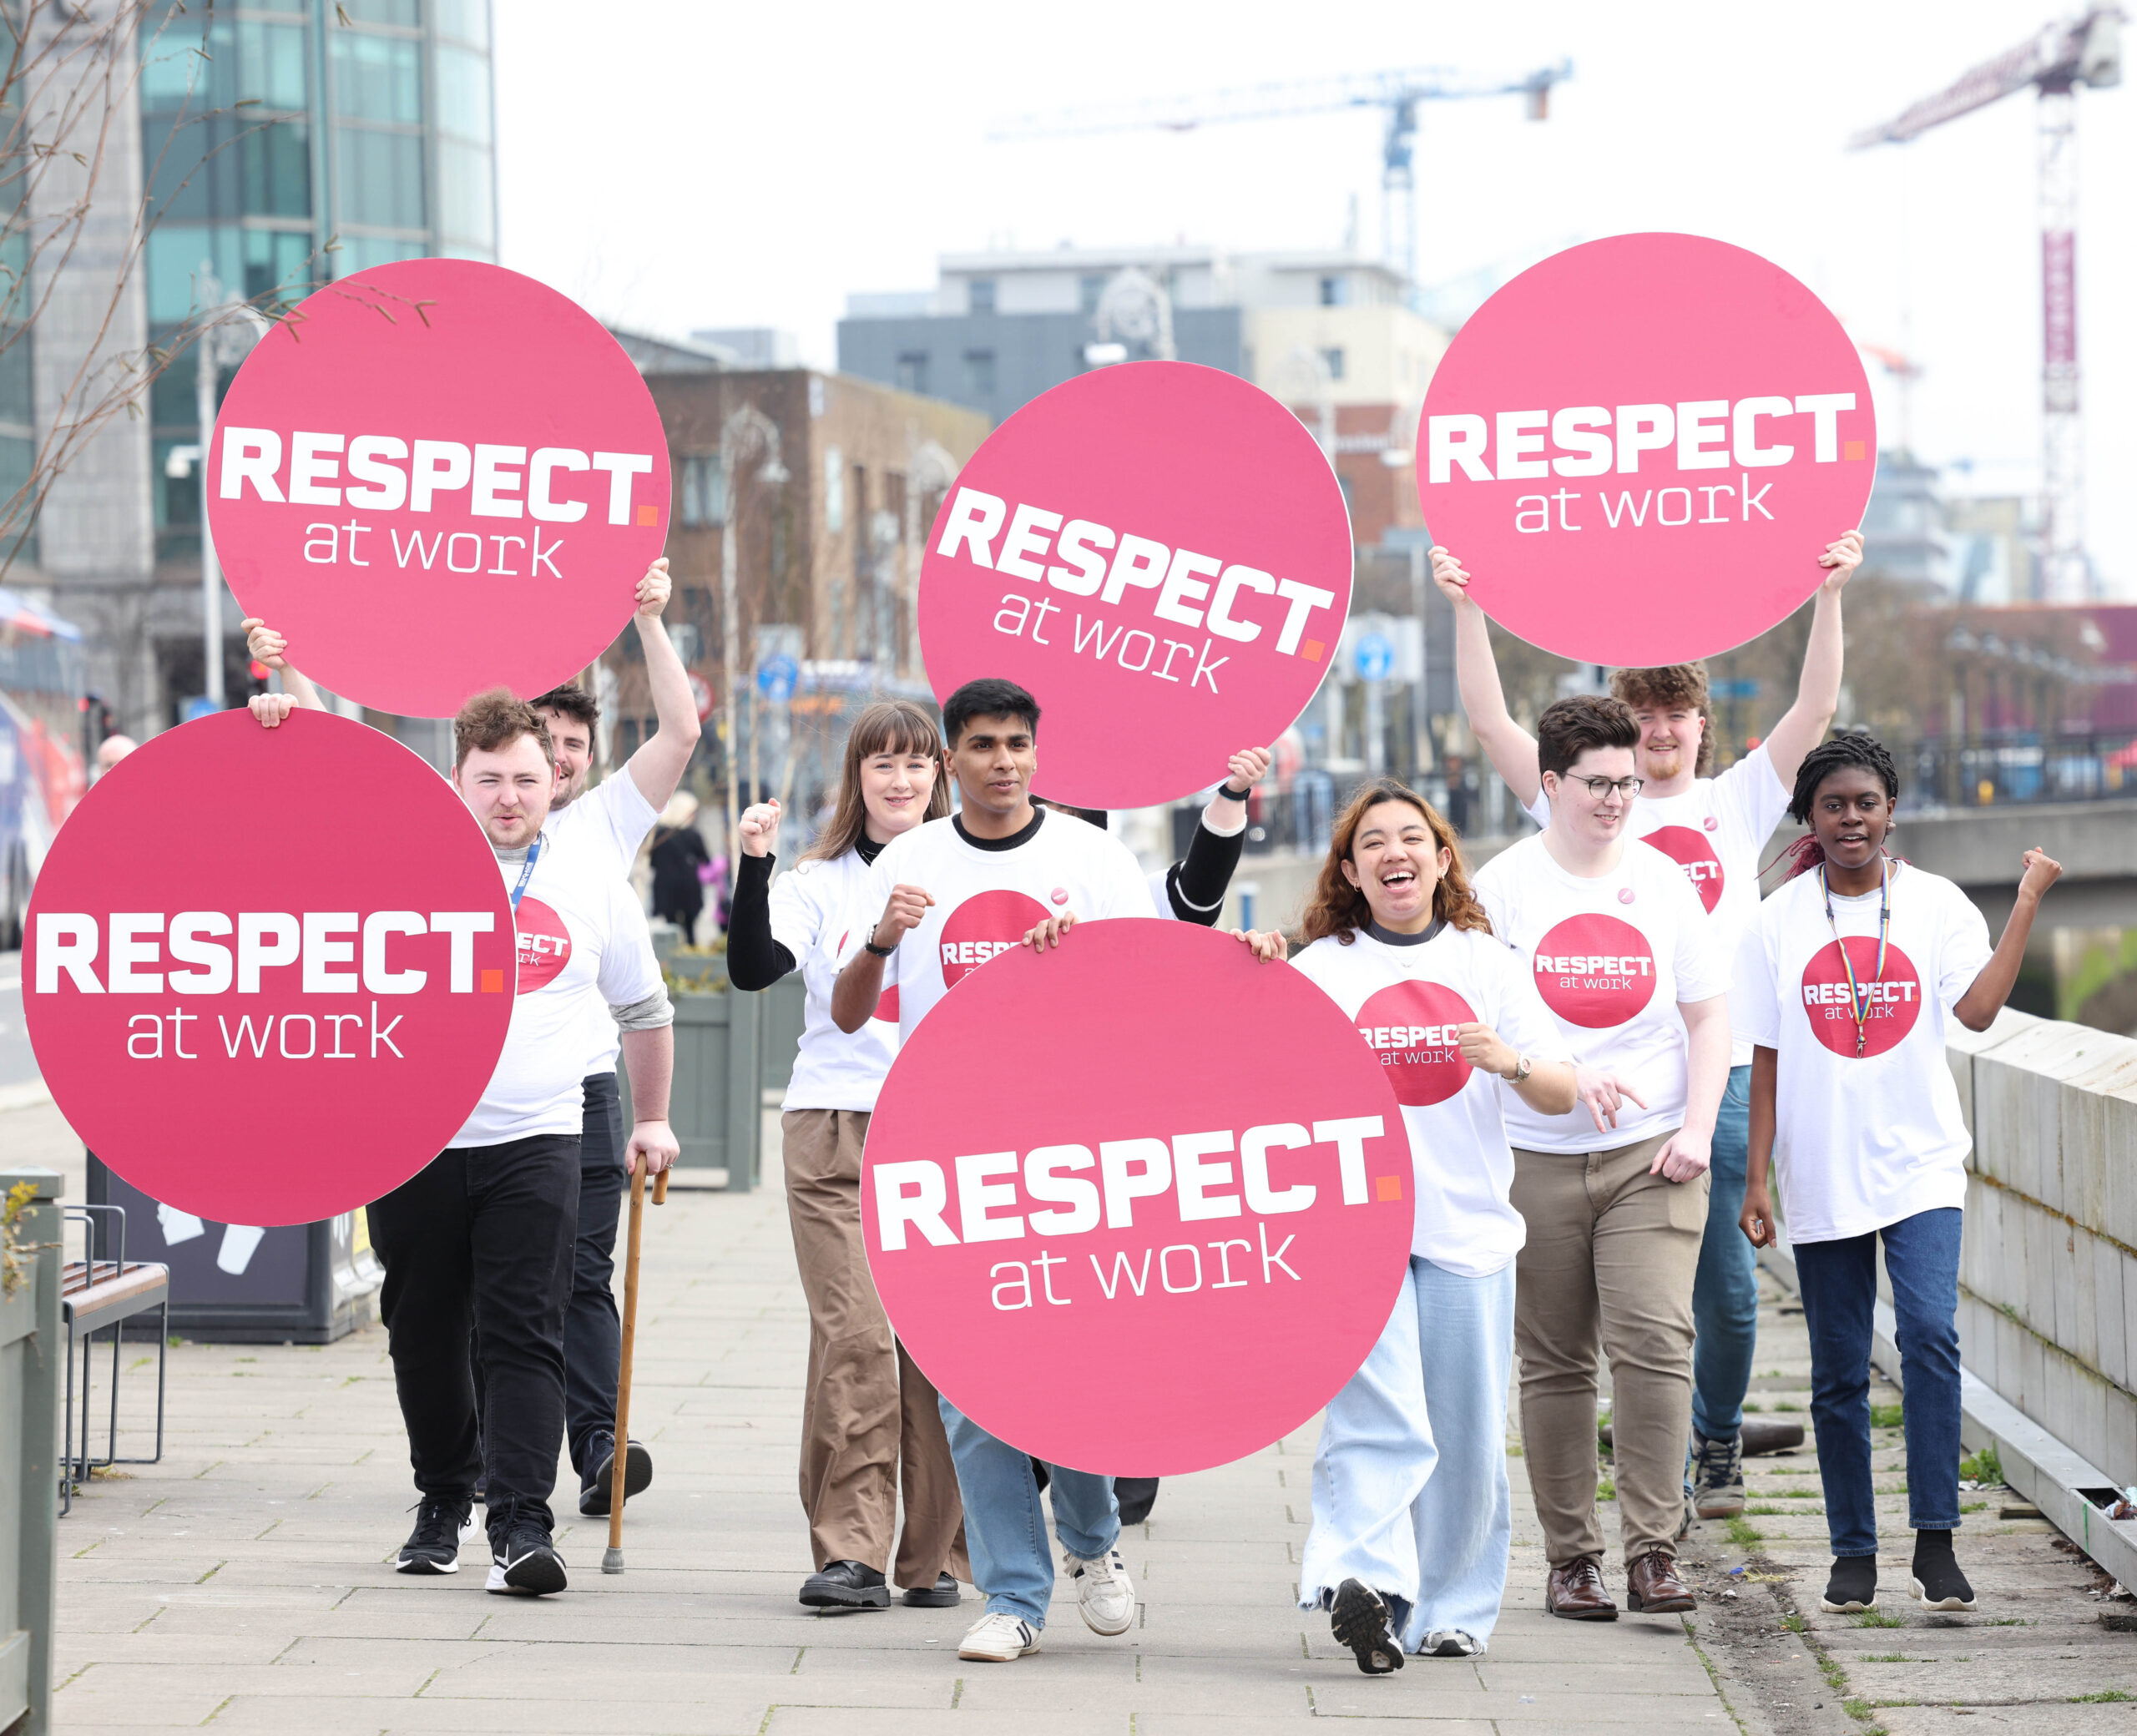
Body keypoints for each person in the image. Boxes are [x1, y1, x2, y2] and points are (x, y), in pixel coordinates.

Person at [250, 559, 701, 1520]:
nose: (511, 793)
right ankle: (456, 1485)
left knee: (546, 1299)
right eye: (488, 777)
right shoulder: (424, 832)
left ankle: (560, 1474)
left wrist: (649, 619)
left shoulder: (590, 839)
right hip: (427, 1120)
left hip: (562, 1103)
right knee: (430, 1317)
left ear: (559, 771)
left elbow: (681, 732)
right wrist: (284, 681)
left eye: (531, 773)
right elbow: (343, 751)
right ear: (461, 778)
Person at [1436, 528, 1863, 1526]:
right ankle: (1638, 1485)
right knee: (1604, 1323)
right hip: (1578, 1091)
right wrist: (1467, 607)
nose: (1660, 729)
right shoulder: (1574, 802)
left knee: (1723, 1286)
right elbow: (1492, 718)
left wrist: (1830, 594)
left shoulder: (1733, 801)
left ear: (1702, 725)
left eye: (1678, 711)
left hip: (1708, 1075)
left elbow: (1814, 711)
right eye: (1643, 713)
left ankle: (1711, 1435)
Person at [1235, 780, 1605, 1672]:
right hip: (1355, 1236)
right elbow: (1251, 1066)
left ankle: (1452, 1609)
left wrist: (1508, 1060)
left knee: (1466, 1431)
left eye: (1412, 837)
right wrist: (1252, 973)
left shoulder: (1486, 963)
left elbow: (1561, 1089)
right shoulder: (1324, 967)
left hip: (1466, 1230)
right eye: (1372, 843)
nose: (1393, 852)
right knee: (1374, 1414)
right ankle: (1364, 1582)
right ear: (1352, 872)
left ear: (1441, 860)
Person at [830, 678, 1155, 1664]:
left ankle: (1093, 1544)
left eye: (1018, 742)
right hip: (949, 1144)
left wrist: (1076, 966)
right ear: (950, 760)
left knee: (1070, 1379)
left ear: (1037, 753)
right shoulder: (909, 861)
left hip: (1070, 1151)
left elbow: (1149, 994)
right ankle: (1013, 1595)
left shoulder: (1091, 859)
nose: (1003, 761)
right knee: (971, 1388)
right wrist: (884, 937)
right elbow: (850, 1011)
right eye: (981, 745)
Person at [1737, 734, 2059, 1616]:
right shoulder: (1775, 920)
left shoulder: (1935, 904)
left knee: (1928, 1336)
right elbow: (1764, 1055)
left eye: (1866, 803)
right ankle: (1852, 1551)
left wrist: (2026, 900)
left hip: (1920, 1163)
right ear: (1811, 815)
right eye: (1833, 805)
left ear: (1889, 811)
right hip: (1822, 1168)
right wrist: (1756, 1180)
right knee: (1838, 1370)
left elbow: (1980, 1012)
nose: (1851, 819)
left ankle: (1936, 1541)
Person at [1472, 694, 1731, 1621]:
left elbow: (1708, 1018)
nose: (1618, 798)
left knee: (1655, 1344)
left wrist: (1695, 1131)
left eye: (1627, 782)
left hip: (1648, 1154)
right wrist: (1560, 1073)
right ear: (1550, 784)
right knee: (1552, 1361)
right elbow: (1486, 1023)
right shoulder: (1500, 888)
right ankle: (1571, 1557)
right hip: (1533, 1156)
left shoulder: (1665, 884)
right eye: (1598, 783)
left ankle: (1654, 1549)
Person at [723, 701, 971, 1614]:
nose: (900, 781)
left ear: (939, 775)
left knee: (932, 1349)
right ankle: (851, 1549)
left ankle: (935, 1554)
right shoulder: (820, 879)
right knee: (857, 1332)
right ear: (856, 778)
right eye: (881, 765)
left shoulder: (967, 870)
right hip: (834, 1125)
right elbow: (752, 968)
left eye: (915, 765)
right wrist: (754, 864)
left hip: (944, 1132)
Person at [649, 793, 711, 941]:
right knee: (690, 930)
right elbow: (705, 859)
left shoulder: (660, 834)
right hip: (688, 889)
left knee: (671, 930)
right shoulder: (692, 835)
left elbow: (653, 861)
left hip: (665, 888)